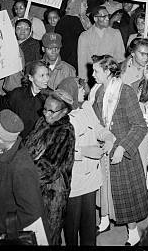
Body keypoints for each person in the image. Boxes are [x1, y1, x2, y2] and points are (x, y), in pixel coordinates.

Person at [91, 55, 148, 246]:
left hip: (122, 152)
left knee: (126, 197)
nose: (92, 75)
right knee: (105, 190)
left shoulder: (126, 92)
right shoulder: (97, 91)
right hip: (104, 151)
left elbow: (140, 126)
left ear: (108, 72)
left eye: (96, 71)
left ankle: (133, 234)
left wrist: (123, 147)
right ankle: (105, 220)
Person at [60, 77, 115, 246]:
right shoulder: (63, 116)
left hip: (91, 177)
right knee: (72, 225)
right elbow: (60, 150)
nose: (85, 90)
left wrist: (107, 136)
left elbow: (97, 127)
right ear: (71, 92)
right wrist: (83, 151)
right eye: (81, 88)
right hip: (74, 180)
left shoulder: (86, 107)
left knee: (89, 223)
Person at [0, 110, 50, 242]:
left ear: (2, 139)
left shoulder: (21, 167)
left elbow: (32, 211)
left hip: (10, 233)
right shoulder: (6, 152)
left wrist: (0, 225)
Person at [23, 90, 76, 245]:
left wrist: (21, 176)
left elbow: (49, 168)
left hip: (52, 194)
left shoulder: (65, 131)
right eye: (45, 109)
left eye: (52, 111)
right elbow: (28, 146)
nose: (46, 114)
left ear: (64, 111)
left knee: (48, 235)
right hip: (34, 188)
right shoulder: (42, 121)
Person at [120, 38, 148, 187]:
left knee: (143, 162)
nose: (145, 58)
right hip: (127, 123)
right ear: (132, 53)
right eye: (141, 53)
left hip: (145, 123)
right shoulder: (122, 71)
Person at [0, 61, 52, 139]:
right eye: (42, 75)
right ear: (31, 78)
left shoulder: (50, 99)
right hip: (15, 142)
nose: (46, 78)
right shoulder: (18, 94)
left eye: (47, 74)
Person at [77, 5, 125, 82]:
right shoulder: (84, 36)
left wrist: (118, 78)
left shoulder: (115, 33)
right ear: (95, 18)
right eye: (104, 16)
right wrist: (83, 82)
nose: (107, 18)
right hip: (93, 78)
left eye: (108, 16)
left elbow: (120, 59)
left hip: (111, 78)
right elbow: (82, 63)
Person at [56, 0, 91, 72]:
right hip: (71, 60)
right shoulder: (70, 20)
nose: (87, 7)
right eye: (84, 5)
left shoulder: (83, 19)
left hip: (78, 58)